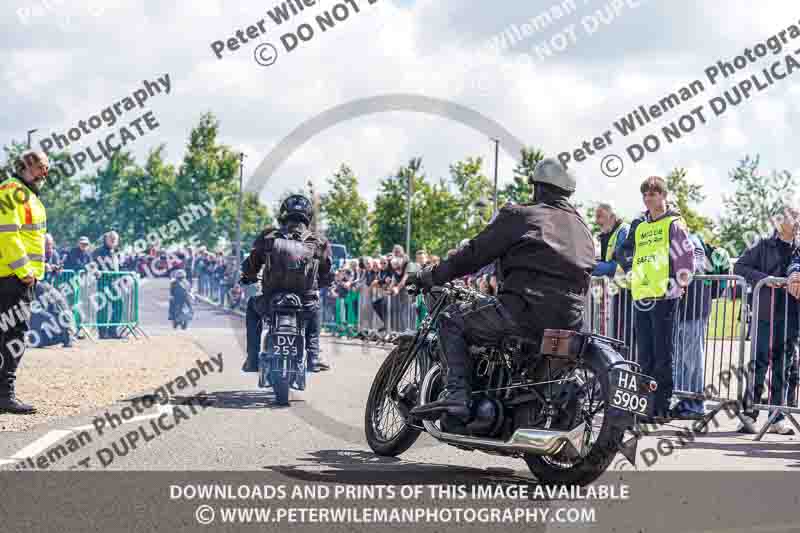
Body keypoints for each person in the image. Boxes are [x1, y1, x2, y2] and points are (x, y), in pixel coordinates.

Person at [408, 158, 596, 421]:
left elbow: (474, 253)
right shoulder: (583, 230)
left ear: (537, 187)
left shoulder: (522, 215)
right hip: (570, 320)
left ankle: (457, 396)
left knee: (451, 320)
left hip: (521, 310)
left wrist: (432, 274)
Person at [616, 176, 695, 421]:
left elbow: (686, 255)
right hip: (642, 294)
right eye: (646, 194)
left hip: (665, 296)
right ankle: (643, 406)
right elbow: (623, 251)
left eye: (653, 193)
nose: (649, 198)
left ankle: (661, 407)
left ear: (663, 195)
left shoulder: (674, 223)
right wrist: (632, 269)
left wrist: (680, 283)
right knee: (644, 355)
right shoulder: (638, 224)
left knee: (663, 355)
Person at [240, 194, 333, 377]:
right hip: (305, 303)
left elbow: (251, 264)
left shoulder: (268, 236)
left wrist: (248, 277)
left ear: (283, 214)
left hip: (271, 301)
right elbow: (327, 274)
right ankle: (313, 357)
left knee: (252, 308)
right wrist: (319, 284)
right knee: (315, 311)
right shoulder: (319, 242)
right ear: (308, 216)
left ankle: (252, 359)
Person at [737, 207, 800, 435]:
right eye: (790, 217)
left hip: (791, 314)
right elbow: (739, 266)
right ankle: (749, 414)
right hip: (765, 312)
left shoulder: (798, 248)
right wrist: (765, 279)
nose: (794, 221)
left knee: (783, 365)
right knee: (759, 363)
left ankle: (777, 417)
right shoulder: (762, 244)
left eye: (796, 217)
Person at [0, 150, 49, 414]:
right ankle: (4, 395)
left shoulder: (27, 194)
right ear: (27, 166)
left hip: (14, 275)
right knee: (13, 336)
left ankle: (3, 393)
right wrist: (24, 271)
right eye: (42, 167)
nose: (46, 173)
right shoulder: (13, 191)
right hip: (12, 277)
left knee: (8, 335)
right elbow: (8, 234)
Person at [593, 203, 634, 348]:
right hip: (619, 290)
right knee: (617, 332)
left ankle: (624, 366)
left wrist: (592, 266)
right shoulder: (608, 233)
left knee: (624, 335)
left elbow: (618, 265)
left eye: (600, 216)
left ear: (612, 217)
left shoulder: (624, 231)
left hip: (628, 292)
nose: (597, 221)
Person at [93, 231, 122, 339]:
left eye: (115, 239)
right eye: (111, 239)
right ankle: (102, 332)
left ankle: (112, 330)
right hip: (103, 282)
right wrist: (95, 270)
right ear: (106, 239)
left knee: (119, 306)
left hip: (115, 283)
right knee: (103, 307)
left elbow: (120, 266)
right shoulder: (98, 251)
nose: (114, 241)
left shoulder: (116, 251)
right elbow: (92, 264)